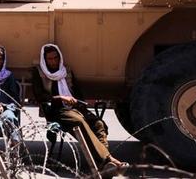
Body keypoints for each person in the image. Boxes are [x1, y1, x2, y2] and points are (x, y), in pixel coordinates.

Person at [32, 43, 127, 171]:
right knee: (79, 121)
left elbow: (78, 92)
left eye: (56, 58)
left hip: (75, 109)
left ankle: (103, 164)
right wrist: (61, 98)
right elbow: (39, 96)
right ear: (45, 60)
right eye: (50, 59)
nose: (53, 61)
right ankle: (108, 160)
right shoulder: (39, 72)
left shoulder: (67, 71)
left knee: (98, 124)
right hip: (58, 111)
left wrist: (76, 102)